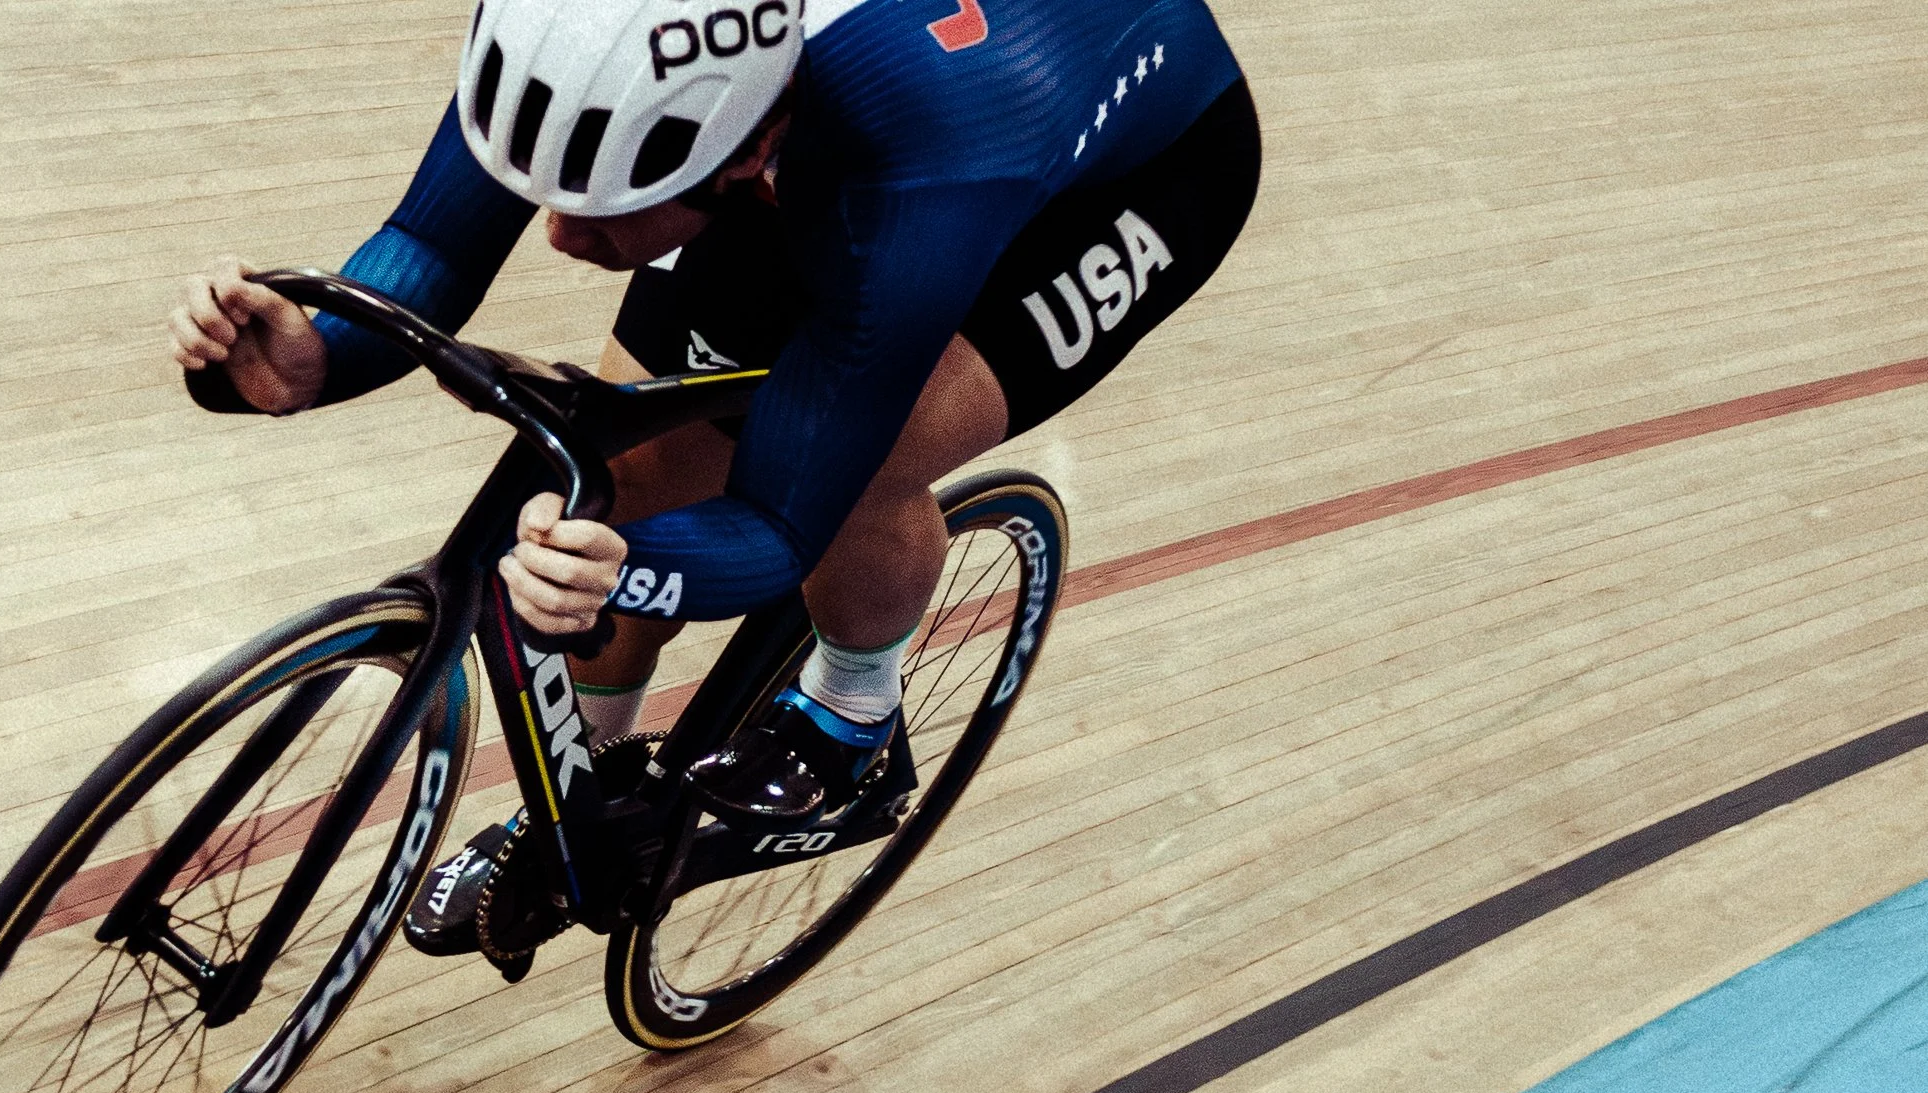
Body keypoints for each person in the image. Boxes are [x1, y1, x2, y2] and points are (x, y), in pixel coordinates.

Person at [168, 0, 1260, 959]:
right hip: (844, 143)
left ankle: (851, 720)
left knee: (861, 458)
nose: (558, 234)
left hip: (1120, 170)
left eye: (600, 206)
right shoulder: (590, 36)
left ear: (746, 153)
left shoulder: (921, 154)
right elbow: (432, 240)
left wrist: (626, 574)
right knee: (619, 475)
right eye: (544, 188)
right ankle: (582, 793)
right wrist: (316, 352)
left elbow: (778, 522)